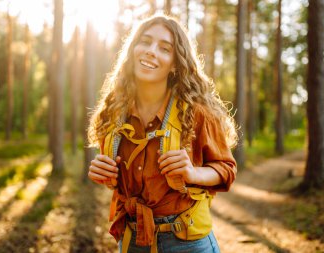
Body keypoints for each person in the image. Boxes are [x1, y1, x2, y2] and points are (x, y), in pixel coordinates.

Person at [87, 14, 238, 253]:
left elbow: (226, 170)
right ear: (133, 49)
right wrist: (105, 174)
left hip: (188, 242)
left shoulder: (198, 113)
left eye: (164, 48)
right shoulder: (114, 114)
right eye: (145, 42)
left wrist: (192, 173)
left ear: (175, 64)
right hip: (132, 239)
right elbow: (119, 182)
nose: (150, 51)